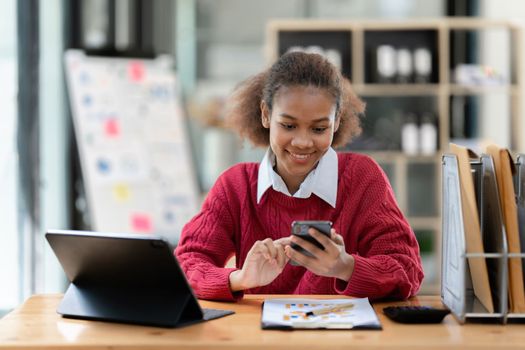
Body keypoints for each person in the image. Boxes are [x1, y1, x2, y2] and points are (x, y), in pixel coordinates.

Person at [176, 51, 423, 301]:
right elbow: (186, 265)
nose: (303, 142)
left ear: (336, 122)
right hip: (258, 338)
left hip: (341, 338)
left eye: (318, 129)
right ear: (265, 114)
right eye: (288, 125)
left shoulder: (362, 178)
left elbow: (407, 270)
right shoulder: (234, 186)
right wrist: (241, 279)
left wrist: (344, 267)